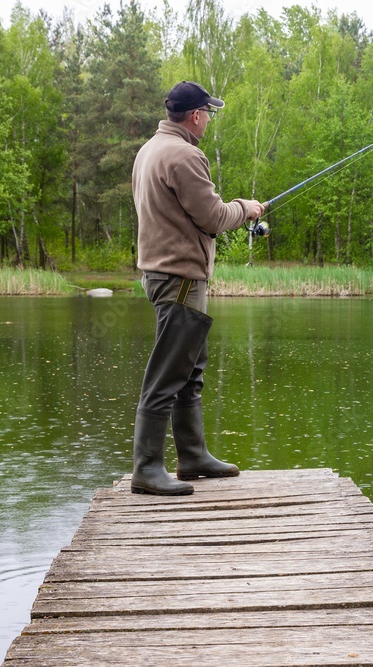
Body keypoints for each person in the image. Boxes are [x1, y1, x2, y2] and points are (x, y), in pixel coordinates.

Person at [130, 81, 265, 495]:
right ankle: (147, 468)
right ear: (195, 115)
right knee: (169, 373)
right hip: (181, 277)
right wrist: (246, 209)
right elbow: (211, 216)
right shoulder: (186, 155)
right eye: (210, 112)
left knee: (190, 369)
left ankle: (192, 457)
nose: (210, 118)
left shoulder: (149, 149)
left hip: (163, 273)